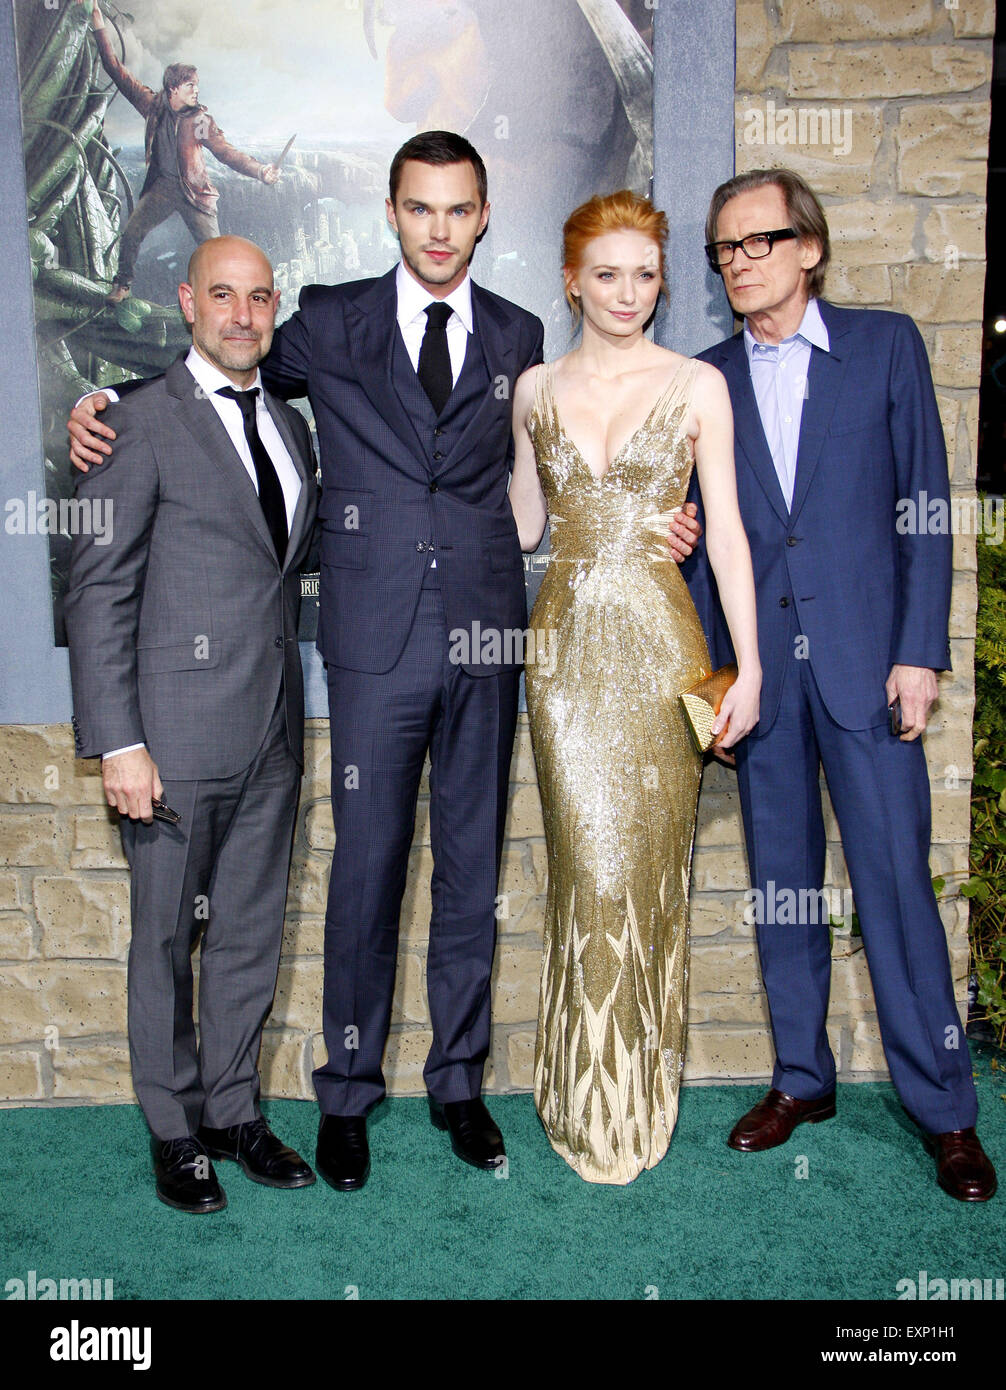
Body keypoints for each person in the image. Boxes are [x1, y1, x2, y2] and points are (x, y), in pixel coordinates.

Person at [68, 134, 703, 1190]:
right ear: (393, 212)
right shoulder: (325, 320)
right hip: (371, 647)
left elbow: (577, 450)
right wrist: (111, 404)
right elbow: (218, 365)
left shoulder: (519, 333)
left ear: (484, 215)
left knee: (470, 875)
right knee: (365, 875)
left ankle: (459, 1083)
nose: (440, 229)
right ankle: (348, 1093)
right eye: (421, 209)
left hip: (489, 638)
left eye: (459, 210)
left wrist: (651, 524)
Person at [684, 167, 996, 1202]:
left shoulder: (886, 345)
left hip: (868, 670)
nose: (738, 262)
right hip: (764, 683)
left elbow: (923, 501)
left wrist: (920, 652)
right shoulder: (702, 379)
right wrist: (714, 688)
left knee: (897, 889)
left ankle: (945, 1109)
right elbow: (699, 553)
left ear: (807, 247)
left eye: (756, 242)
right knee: (782, 891)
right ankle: (801, 1080)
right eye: (723, 249)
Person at [507, 191, 761, 1183]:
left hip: (662, 652)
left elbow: (729, 534)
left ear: (663, 280)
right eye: (606, 274)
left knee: (643, 881)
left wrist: (748, 669)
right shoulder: (530, 389)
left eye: (645, 274)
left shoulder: (698, 385)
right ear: (571, 278)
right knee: (586, 872)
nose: (626, 293)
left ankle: (627, 1092)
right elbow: (524, 524)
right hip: (563, 661)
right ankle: (578, 1088)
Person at [64, 236, 319, 1213]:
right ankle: (175, 1133)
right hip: (167, 740)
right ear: (186, 301)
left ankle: (232, 1109)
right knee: (165, 941)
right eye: (223, 294)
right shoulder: (132, 420)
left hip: (272, 735)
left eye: (259, 297)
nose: (242, 315)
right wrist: (116, 741)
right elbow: (97, 593)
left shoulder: (291, 427)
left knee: (249, 932)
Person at [77, 1, 279, 302]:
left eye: (196, 85)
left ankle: (227, 300)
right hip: (162, 188)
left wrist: (261, 171)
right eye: (190, 85)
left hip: (195, 194)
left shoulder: (199, 121)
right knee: (131, 233)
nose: (196, 90)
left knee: (216, 253)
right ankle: (123, 283)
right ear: (173, 89)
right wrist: (98, 24)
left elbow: (226, 153)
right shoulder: (152, 105)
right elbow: (115, 70)